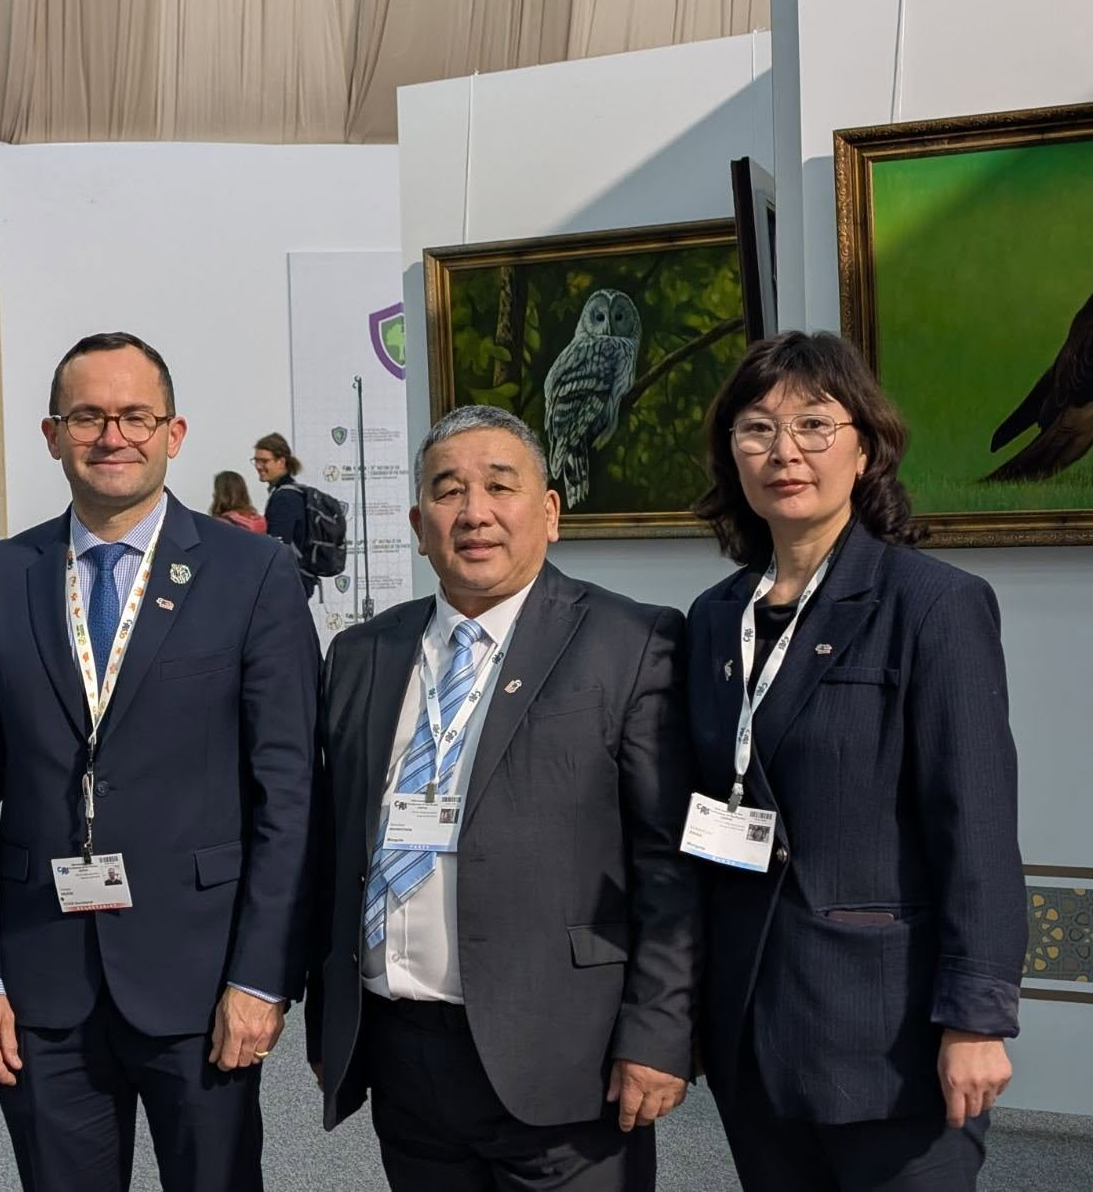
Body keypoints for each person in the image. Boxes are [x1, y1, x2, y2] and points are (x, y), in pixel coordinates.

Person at [0, 331, 320, 1192]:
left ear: (173, 433)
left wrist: (263, 975)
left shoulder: (252, 573)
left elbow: (288, 793)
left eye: (136, 416)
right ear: (51, 434)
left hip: (204, 977)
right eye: (88, 417)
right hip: (40, 981)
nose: (113, 436)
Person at [307, 405, 699, 1191]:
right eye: (448, 490)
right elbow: (331, 842)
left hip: (566, 1055)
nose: (474, 512)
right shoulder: (360, 654)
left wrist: (660, 1029)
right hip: (403, 1052)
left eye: (499, 485)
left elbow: (668, 862)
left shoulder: (630, 642)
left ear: (549, 511)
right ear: (418, 524)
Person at [686, 332, 1024, 1190]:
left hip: (888, 1036)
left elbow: (977, 825)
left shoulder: (933, 604)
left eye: (814, 423)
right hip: (752, 1028)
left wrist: (977, 1017)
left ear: (865, 448)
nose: (784, 450)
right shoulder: (713, 618)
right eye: (757, 428)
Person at [253, 432, 315, 598]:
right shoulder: (292, 492)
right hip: (298, 578)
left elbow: (278, 545)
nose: (258, 466)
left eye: (264, 461)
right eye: (256, 460)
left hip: (290, 581)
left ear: (281, 462)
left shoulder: (284, 497)